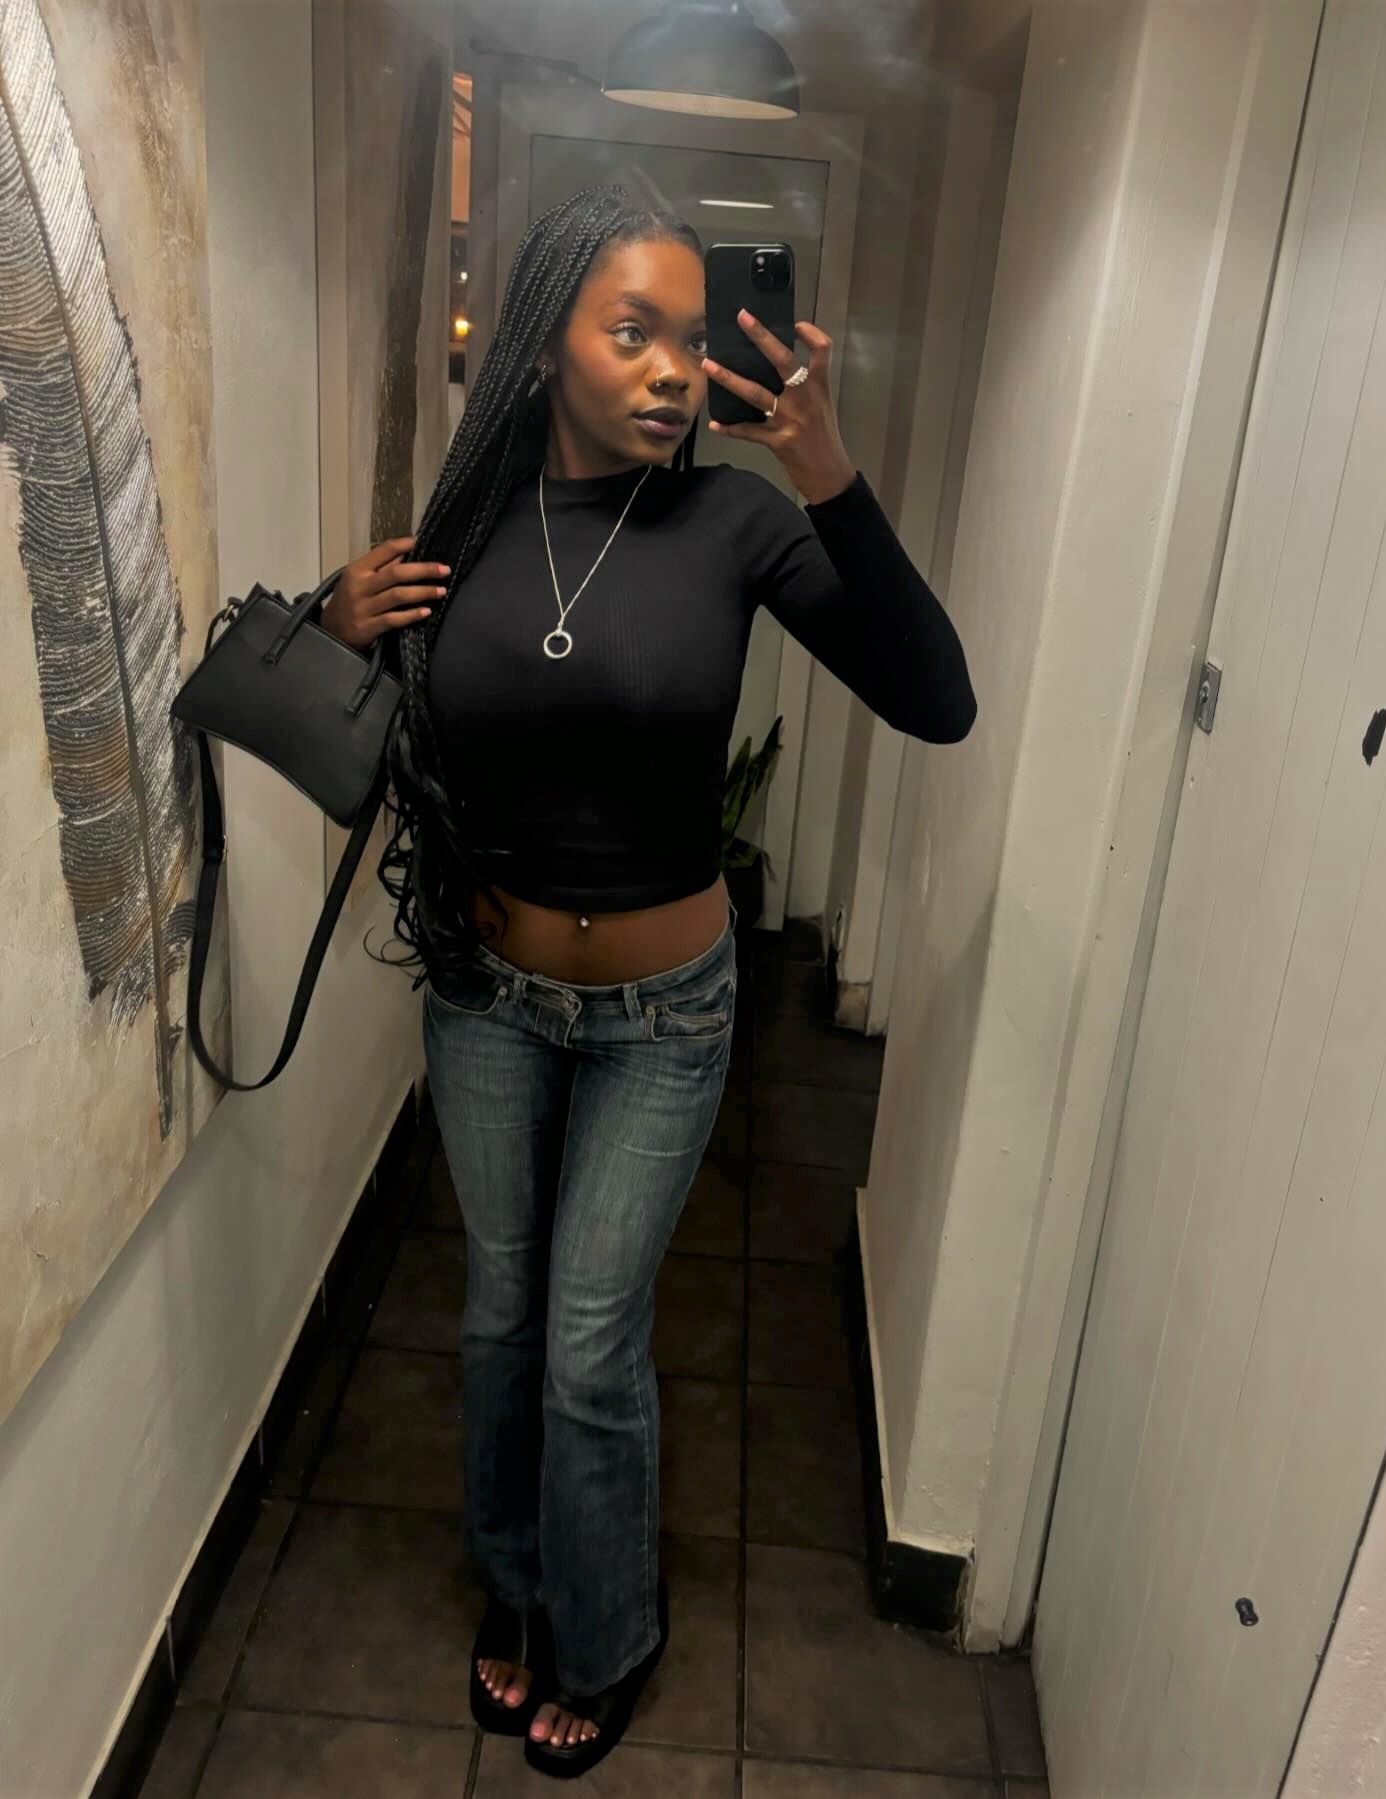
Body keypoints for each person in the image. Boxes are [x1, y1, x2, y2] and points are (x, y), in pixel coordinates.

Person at [321, 184, 976, 1779]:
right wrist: (335, 623)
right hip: (487, 995)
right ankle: (518, 1578)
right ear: (549, 340)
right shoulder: (467, 523)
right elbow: (372, 721)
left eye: (693, 337)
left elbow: (936, 697)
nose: (675, 368)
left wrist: (826, 470)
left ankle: (605, 1631)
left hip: (665, 1017)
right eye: (635, 332)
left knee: (589, 1337)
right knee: (500, 1316)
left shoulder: (738, 523)